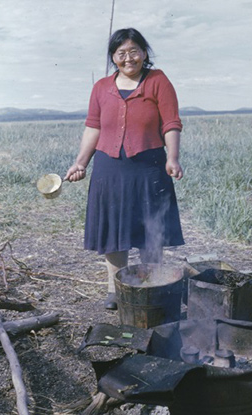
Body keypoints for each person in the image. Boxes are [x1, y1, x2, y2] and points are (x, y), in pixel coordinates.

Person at [65, 28, 184, 310]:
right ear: (113, 57)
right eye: (121, 53)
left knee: (150, 228)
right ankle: (115, 289)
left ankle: (151, 284)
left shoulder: (158, 81)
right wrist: (81, 162)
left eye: (134, 51)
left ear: (144, 53)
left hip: (149, 167)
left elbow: (171, 123)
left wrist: (173, 157)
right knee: (113, 230)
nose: (128, 58)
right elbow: (93, 127)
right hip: (109, 169)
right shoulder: (101, 87)